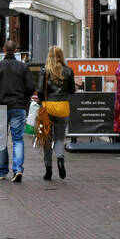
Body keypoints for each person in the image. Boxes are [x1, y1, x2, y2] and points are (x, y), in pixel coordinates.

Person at [0, 39, 37, 183]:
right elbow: (31, 86)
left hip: (0, 106)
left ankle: (2, 171)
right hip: (18, 106)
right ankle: (18, 169)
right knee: (18, 139)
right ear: (15, 51)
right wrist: (24, 99)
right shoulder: (22, 67)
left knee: (1, 139)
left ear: (4, 49)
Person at [38, 45, 77, 180]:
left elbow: (40, 90)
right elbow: (72, 91)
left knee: (47, 140)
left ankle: (48, 169)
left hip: (48, 107)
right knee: (59, 138)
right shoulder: (68, 71)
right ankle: (60, 159)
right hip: (63, 107)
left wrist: (42, 102)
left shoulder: (44, 70)